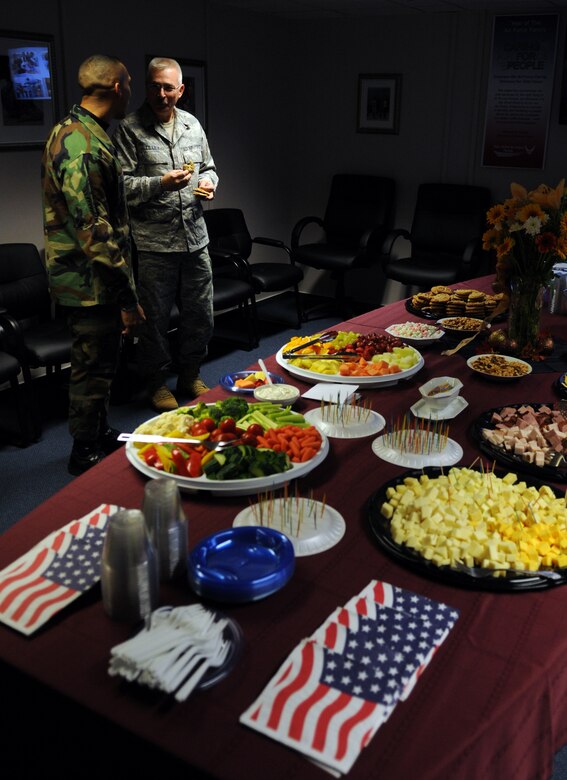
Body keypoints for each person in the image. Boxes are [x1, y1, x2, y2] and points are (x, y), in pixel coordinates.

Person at [42, 54, 144, 476]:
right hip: (89, 282)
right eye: (130, 83)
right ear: (117, 86)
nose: (131, 91)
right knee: (91, 367)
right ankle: (83, 450)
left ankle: (98, 431)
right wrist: (128, 297)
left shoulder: (83, 131)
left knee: (102, 363)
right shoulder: (81, 144)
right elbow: (93, 230)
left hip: (93, 279)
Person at [113, 56, 218, 412]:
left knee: (200, 313)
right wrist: (161, 182)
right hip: (154, 243)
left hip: (195, 237)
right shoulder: (129, 129)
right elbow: (121, 187)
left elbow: (211, 168)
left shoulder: (191, 124)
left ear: (180, 90)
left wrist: (208, 182)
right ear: (147, 86)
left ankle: (189, 373)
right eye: (155, 86)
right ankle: (156, 382)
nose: (161, 93)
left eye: (168, 87)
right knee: (154, 319)